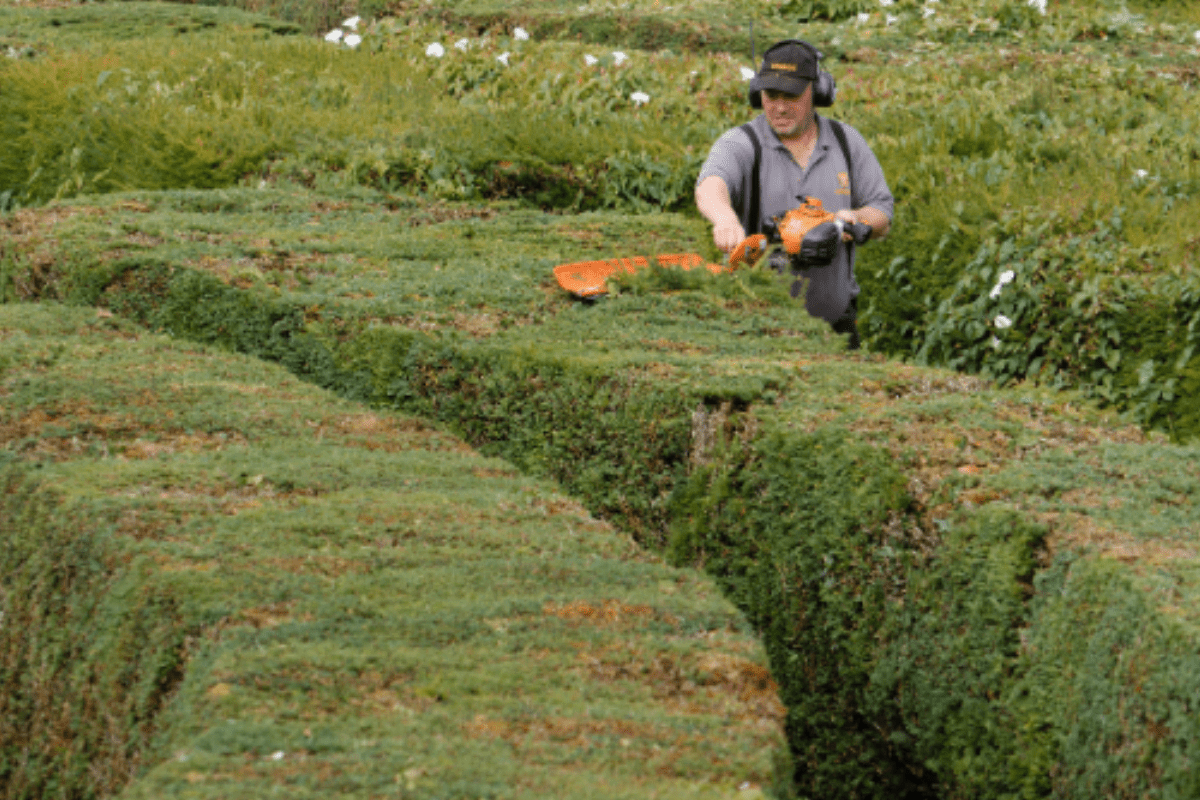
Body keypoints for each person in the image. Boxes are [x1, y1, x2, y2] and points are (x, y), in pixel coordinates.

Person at [695, 39, 893, 349]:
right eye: (771, 96)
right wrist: (724, 219)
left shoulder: (846, 142)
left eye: (792, 96)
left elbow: (882, 211)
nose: (780, 107)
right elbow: (710, 184)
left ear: (818, 92)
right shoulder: (742, 143)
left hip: (836, 327)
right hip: (756, 330)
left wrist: (853, 219)